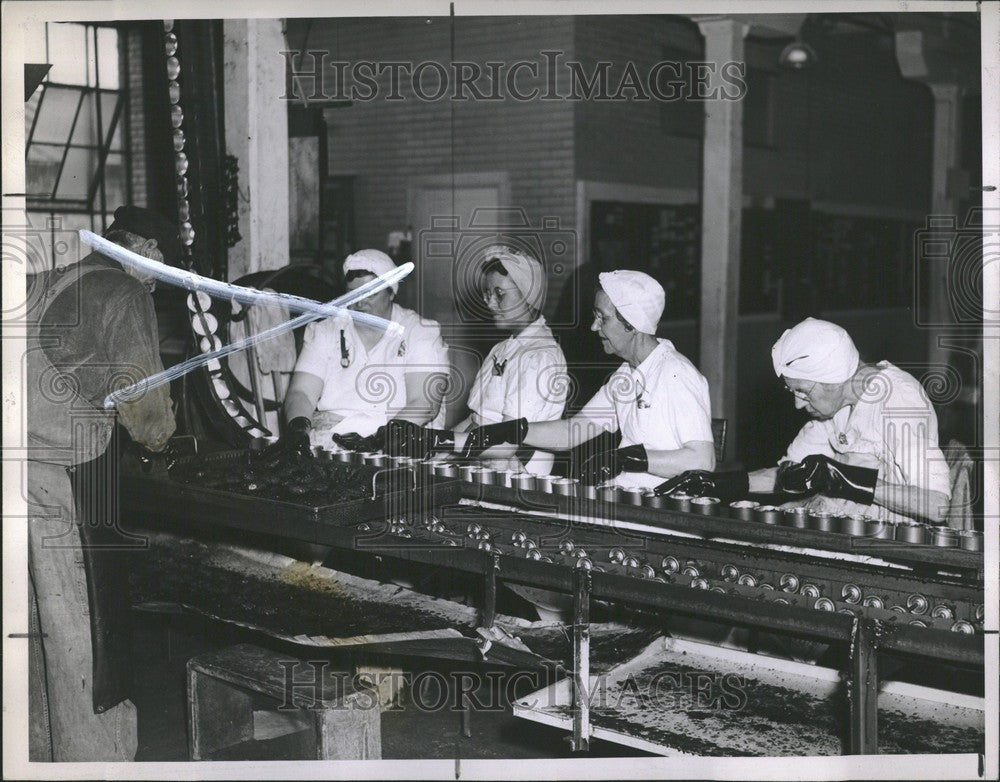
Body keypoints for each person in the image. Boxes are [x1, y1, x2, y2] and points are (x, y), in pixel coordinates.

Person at [26, 205, 180, 761]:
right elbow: (148, 415)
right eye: (162, 263)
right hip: (64, 481)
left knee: (29, 633)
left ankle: (37, 758)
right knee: (86, 636)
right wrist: (166, 434)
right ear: (148, 252)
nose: (160, 277)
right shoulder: (125, 293)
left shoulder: (43, 280)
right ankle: (98, 764)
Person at [372, 269, 715, 488]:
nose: (595, 327)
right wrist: (515, 430)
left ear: (633, 323)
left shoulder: (675, 374)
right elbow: (572, 431)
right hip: (624, 496)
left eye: (602, 318)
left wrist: (629, 458)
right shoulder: (626, 375)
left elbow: (702, 461)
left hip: (660, 510)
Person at [662, 318, 952, 525]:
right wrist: (718, 484)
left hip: (889, 548)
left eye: (803, 391)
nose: (798, 403)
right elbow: (791, 474)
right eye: (792, 391)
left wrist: (849, 481)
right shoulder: (836, 405)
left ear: (834, 379)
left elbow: (937, 506)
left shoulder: (898, 400)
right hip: (847, 532)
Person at [279, 249, 450, 453]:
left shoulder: (420, 331)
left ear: (391, 291)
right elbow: (302, 392)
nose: (360, 303)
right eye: (353, 293)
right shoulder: (326, 330)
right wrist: (299, 428)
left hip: (400, 442)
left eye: (371, 293)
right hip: (332, 441)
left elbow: (423, 403)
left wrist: (377, 436)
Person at [453, 245, 567, 473]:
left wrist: (442, 443)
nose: (490, 303)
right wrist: (433, 446)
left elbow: (507, 444)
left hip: (516, 475)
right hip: (482, 462)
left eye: (500, 294)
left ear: (528, 295)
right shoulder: (502, 348)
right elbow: (475, 419)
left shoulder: (539, 357)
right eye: (487, 294)